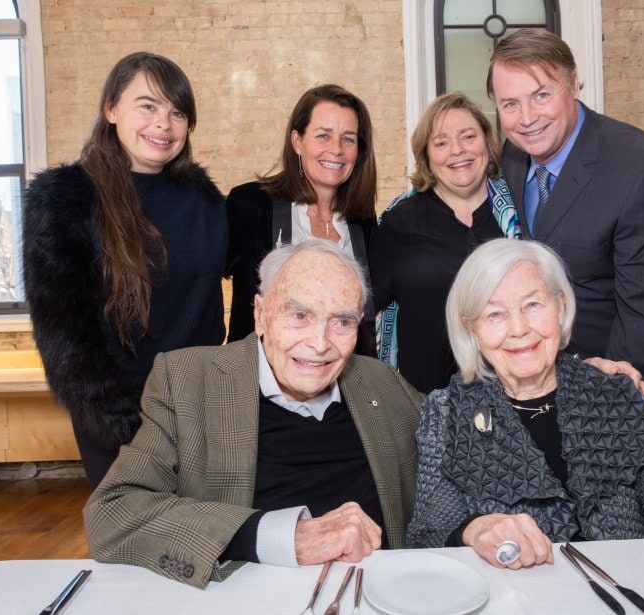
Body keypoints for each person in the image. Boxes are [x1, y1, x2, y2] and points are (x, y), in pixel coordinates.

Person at [83, 240, 423, 589]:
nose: (320, 343)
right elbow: (113, 512)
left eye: (342, 322)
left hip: (377, 593)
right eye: (299, 315)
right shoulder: (188, 380)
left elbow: (460, 457)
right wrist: (284, 537)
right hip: (246, 596)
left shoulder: (380, 382)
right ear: (260, 314)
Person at [407, 239, 644, 568]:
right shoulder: (448, 412)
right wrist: (473, 529)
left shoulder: (615, 396)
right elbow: (429, 536)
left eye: (532, 305)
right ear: (472, 329)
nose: (519, 329)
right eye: (495, 313)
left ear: (561, 307)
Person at [488, 29, 644, 454]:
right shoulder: (515, 155)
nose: (527, 117)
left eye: (541, 95)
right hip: (564, 381)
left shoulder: (640, 168)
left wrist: (596, 407)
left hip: (636, 386)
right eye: (509, 104)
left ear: (574, 84)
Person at [23, 52, 227, 488]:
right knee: (132, 546)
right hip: (117, 421)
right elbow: (64, 335)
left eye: (176, 112)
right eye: (147, 106)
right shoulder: (65, 199)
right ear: (111, 109)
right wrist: (126, 427)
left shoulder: (205, 199)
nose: (163, 124)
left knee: (209, 542)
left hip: (202, 409)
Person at [369, 92, 519, 393]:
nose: (457, 151)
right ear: (425, 156)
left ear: (487, 144)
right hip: (427, 404)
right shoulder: (398, 223)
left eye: (468, 136)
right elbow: (366, 307)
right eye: (441, 142)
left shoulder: (523, 213)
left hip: (516, 396)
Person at [226, 84, 378, 357]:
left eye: (348, 139)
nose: (336, 150)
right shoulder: (250, 205)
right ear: (297, 141)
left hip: (345, 381)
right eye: (323, 136)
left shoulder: (362, 221)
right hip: (260, 384)